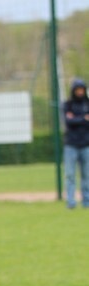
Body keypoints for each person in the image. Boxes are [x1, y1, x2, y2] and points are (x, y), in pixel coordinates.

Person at [63, 78, 89, 209]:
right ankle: (71, 202)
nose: (80, 92)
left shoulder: (87, 104)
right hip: (71, 145)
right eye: (77, 89)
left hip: (86, 144)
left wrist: (75, 119)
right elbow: (68, 122)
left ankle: (86, 201)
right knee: (70, 175)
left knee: (86, 175)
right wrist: (83, 119)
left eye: (82, 89)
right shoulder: (68, 104)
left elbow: (73, 121)